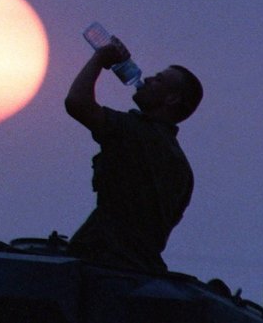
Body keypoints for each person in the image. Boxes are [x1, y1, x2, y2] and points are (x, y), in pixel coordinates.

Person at [64, 38, 203, 273]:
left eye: (158, 79)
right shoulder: (183, 168)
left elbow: (77, 103)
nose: (147, 79)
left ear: (171, 99)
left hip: (104, 266)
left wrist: (100, 59)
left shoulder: (136, 132)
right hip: (140, 272)